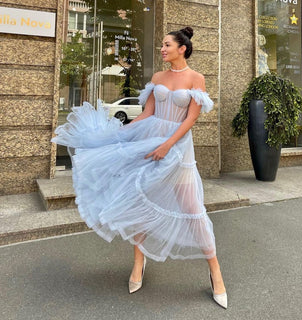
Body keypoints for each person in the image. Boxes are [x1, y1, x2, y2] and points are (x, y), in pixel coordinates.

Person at [52, 26, 227, 309]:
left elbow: (190, 120)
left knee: (193, 208)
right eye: (161, 44)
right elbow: (147, 113)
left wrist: (168, 145)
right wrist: (119, 135)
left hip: (178, 149)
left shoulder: (196, 78)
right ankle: (138, 262)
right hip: (148, 144)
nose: (162, 48)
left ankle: (215, 271)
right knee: (140, 201)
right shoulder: (158, 77)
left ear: (182, 48)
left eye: (167, 44)